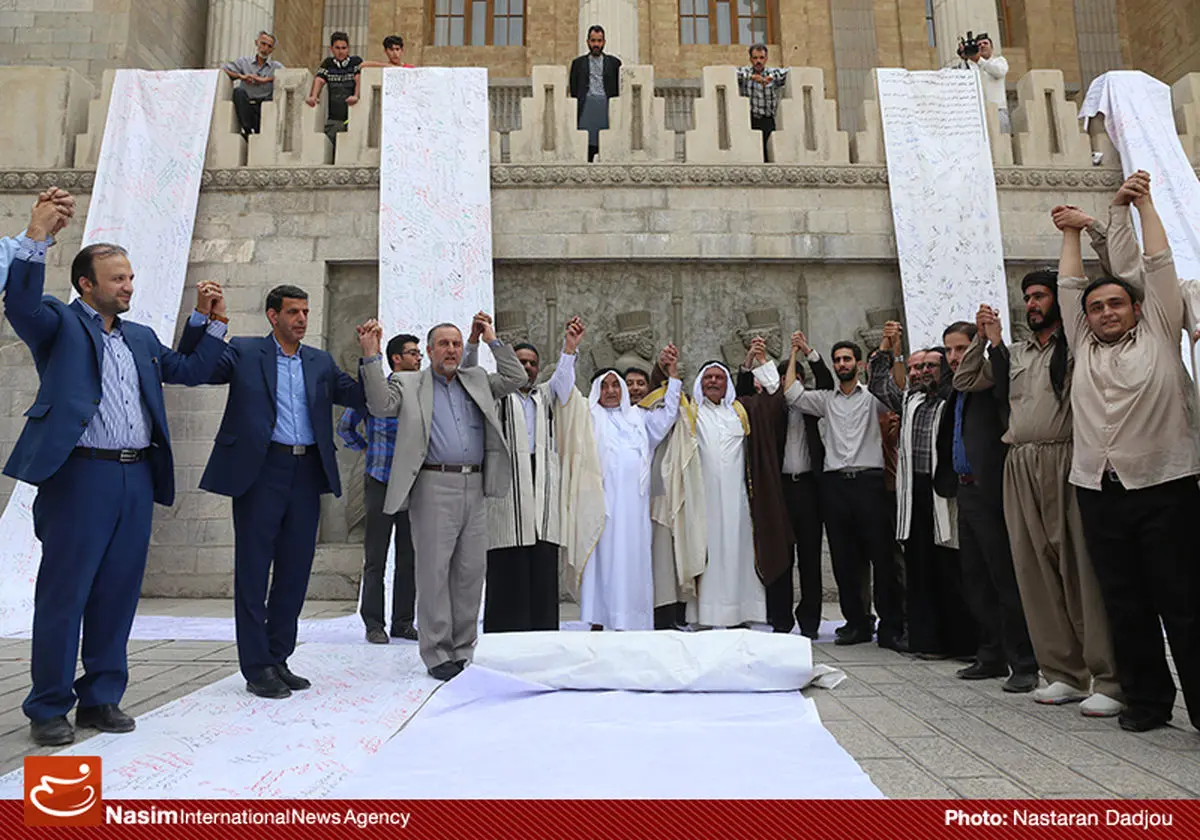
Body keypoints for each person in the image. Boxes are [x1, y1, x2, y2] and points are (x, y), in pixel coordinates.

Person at [5, 199, 229, 746]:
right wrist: (36, 237)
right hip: (80, 476)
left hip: (135, 477)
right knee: (65, 593)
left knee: (118, 592)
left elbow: (193, 370)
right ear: (87, 284)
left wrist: (208, 322)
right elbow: (22, 306)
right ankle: (49, 706)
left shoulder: (141, 338)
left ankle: (101, 697)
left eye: (130, 277)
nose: (128, 286)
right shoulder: (59, 322)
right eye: (117, 278)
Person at [1053, 172, 1200, 732]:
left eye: (1117, 303)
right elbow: (1070, 288)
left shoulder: (1160, 327)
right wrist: (1070, 233)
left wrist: (1143, 204)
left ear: (1137, 310)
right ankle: (1146, 703)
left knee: (1184, 604)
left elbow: (1158, 264)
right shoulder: (1084, 345)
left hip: (1166, 487)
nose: (1107, 312)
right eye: (1098, 307)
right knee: (1125, 601)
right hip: (1099, 490)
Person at [185, 285, 364, 699]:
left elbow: (359, 397)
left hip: (306, 471)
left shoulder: (319, 362)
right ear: (272, 315)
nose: (302, 319)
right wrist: (206, 320)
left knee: (295, 571)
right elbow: (200, 369)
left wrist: (370, 355)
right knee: (253, 570)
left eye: (306, 311)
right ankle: (256, 666)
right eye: (293, 312)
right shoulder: (245, 352)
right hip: (260, 470)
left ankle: (279, 656)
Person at [956, 278, 1121, 717]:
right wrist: (984, 339)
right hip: (1020, 463)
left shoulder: (1076, 347)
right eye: (1027, 298)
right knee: (1035, 571)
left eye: (1040, 296)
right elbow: (966, 378)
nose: (1032, 304)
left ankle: (1107, 675)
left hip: (1065, 457)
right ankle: (1063, 673)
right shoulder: (1015, 353)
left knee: (1078, 568)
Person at [358, 314, 526, 679]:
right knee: (434, 572)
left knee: (470, 572)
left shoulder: (476, 379)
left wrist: (490, 339)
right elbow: (378, 404)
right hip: (433, 485)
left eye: (456, 344)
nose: (450, 350)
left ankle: (463, 649)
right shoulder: (409, 382)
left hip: (475, 486)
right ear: (430, 350)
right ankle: (436, 653)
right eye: (443, 344)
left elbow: (517, 378)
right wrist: (371, 356)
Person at [464, 318, 585, 633]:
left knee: (542, 564)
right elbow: (467, 375)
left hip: (542, 484)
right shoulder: (495, 395)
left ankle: (542, 635)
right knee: (509, 563)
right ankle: (506, 636)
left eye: (532, 364)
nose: (527, 368)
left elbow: (563, 377)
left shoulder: (545, 396)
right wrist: (482, 340)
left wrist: (569, 347)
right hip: (508, 487)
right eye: (520, 362)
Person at [939, 322, 1038, 693]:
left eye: (961, 348)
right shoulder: (956, 389)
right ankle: (990, 653)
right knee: (976, 577)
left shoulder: (991, 383)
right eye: (948, 351)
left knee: (1005, 578)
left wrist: (991, 341)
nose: (953, 358)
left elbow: (1003, 374)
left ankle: (1024, 662)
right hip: (966, 492)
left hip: (993, 489)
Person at [786, 340, 903, 649]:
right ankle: (857, 623)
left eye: (847, 359)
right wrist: (798, 353)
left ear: (858, 364)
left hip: (870, 482)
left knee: (882, 556)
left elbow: (898, 394)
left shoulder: (873, 398)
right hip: (836, 485)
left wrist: (893, 348)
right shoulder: (826, 400)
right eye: (837, 360)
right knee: (844, 558)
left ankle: (891, 624)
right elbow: (791, 394)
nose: (841, 364)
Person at [870, 324, 976, 660]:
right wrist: (888, 346)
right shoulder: (910, 400)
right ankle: (925, 641)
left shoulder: (955, 398)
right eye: (916, 367)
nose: (921, 372)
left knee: (951, 569)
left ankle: (961, 643)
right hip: (913, 494)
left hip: (945, 494)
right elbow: (877, 382)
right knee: (918, 569)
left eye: (929, 366)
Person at [581, 349, 683, 630]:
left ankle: (634, 620)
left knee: (633, 561)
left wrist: (672, 376)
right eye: (604, 386)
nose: (611, 391)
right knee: (604, 562)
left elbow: (669, 415)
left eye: (616, 385)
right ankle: (601, 619)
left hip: (634, 510)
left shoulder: (639, 418)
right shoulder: (587, 417)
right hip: (602, 506)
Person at [336, 332, 422, 644]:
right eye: (412, 353)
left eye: (419, 353)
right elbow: (345, 426)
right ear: (396, 358)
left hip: (412, 485)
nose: (418, 358)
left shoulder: (422, 392)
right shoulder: (376, 390)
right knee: (376, 556)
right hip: (381, 482)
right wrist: (366, 448)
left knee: (409, 557)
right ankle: (374, 623)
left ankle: (403, 622)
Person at [687, 357, 770, 627]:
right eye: (708, 377)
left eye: (718, 377)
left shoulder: (740, 412)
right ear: (700, 383)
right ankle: (706, 615)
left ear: (727, 384)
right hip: (704, 500)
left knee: (739, 551)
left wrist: (753, 365)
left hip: (738, 501)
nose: (713, 381)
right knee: (709, 554)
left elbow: (771, 397)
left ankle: (744, 612)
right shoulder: (691, 412)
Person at [769, 331, 833, 637]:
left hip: (809, 489)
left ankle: (809, 622)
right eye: (785, 380)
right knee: (781, 558)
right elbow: (745, 391)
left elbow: (827, 381)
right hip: (781, 490)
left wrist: (806, 350)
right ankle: (780, 620)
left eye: (795, 379)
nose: (790, 385)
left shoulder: (815, 407)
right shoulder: (771, 411)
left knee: (809, 559)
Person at [569, 25, 621, 163]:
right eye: (593, 41)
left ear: (604, 42)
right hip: (586, 105)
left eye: (599, 41)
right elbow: (574, 87)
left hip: (606, 104)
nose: (596, 44)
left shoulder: (615, 63)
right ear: (588, 42)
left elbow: (619, 87)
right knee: (586, 142)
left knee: (606, 141)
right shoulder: (578, 63)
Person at [306, 31, 362, 148]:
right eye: (337, 48)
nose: (341, 51)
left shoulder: (355, 62)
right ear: (331, 49)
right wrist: (314, 96)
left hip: (351, 115)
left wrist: (356, 96)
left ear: (348, 48)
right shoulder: (328, 64)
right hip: (333, 118)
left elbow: (358, 78)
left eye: (344, 48)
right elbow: (319, 80)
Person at [222, 31, 283, 139]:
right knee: (238, 92)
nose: (265, 49)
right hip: (248, 104)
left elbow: (286, 76)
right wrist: (242, 77)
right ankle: (247, 130)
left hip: (263, 106)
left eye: (269, 46)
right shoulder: (244, 62)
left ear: (272, 50)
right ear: (257, 43)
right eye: (263, 44)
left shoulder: (275, 66)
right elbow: (224, 70)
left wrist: (265, 80)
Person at [736, 43, 788, 162]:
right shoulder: (746, 72)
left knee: (769, 154)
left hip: (768, 119)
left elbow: (788, 72)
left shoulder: (771, 72)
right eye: (755, 58)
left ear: (766, 59)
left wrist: (771, 77)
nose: (758, 61)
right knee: (752, 154)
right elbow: (734, 73)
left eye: (761, 58)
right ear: (750, 59)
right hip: (751, 119)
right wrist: (752, 77)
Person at [954, 32, 1009, 133]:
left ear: (991, 48)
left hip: (998, 110)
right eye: (979, 45)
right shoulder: (972, 67)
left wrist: (978, 60)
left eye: (985, 43)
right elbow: (961, 79)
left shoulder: (999, 61)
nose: (982, 46)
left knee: (1002, 143)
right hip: (977, 113)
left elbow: (999, 72)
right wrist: (965, 59)